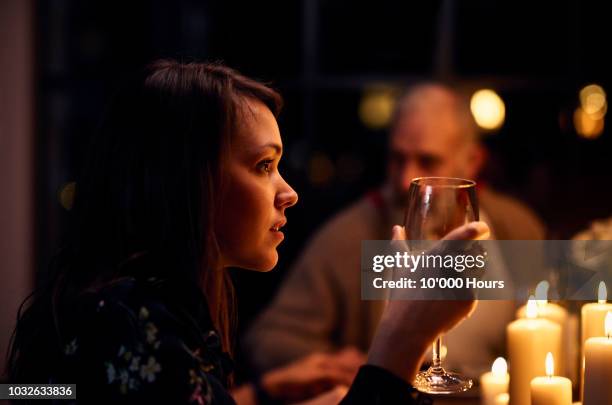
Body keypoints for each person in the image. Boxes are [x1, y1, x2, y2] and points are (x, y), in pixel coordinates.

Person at [6, 60, 489, 404]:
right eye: (263, 165)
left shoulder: (142, 310)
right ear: (187, 180)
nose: (290, 193)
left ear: (472, 162)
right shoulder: (123, 324)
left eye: (427, 161)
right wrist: (401, 338)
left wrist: (261, 394)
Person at [245, 83, 546, 377]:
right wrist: (348, 366)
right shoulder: (348, 237)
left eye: (427, 160)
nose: (405, 180)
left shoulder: (517, 226)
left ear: (472, 161)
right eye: (397, 159)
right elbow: (267, 341)